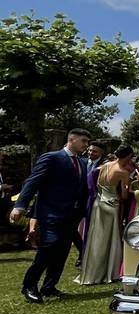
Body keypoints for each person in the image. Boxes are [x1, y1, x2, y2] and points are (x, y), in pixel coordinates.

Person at [9, 129, 91, 303]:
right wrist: (20, 206)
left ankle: (49, 287)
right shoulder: (52, 158)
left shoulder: (83, 163)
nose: (86, 145)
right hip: (52, 214)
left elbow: (82, 190)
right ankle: (29, 286)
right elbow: (32, 182)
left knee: (62, 252)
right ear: (72, 139)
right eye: (83, 141)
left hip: (72, 215)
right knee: (48, 248)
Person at [76, 145, 133, 285]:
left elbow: (95, 181)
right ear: (127, 156)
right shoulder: (123, 172)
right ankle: (109, 272)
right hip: (112, 205)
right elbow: (124, 195)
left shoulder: (105, 165)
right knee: (110, 239)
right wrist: (128, 188)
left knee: (96, 238)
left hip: (99, 203)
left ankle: (92, 271)